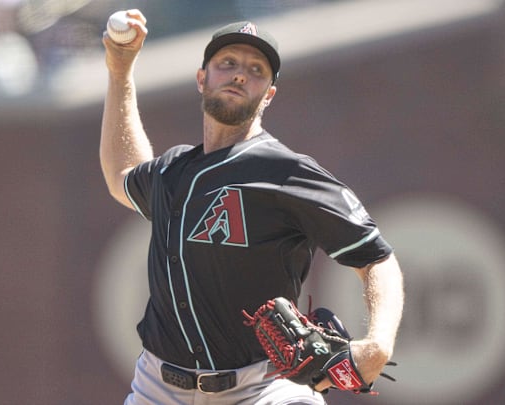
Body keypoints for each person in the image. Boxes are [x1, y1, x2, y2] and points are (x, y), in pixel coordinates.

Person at [100, 9, 404, 404]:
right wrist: (120, 72)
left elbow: (377, 258)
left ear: (269, 94)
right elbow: (123, 174)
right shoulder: (172, 171)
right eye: (227, 63)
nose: (240, 74)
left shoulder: (285, 170)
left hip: (263, 388)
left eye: (256, 69)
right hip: (157, 389)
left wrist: (378, 344)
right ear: (201, 78)